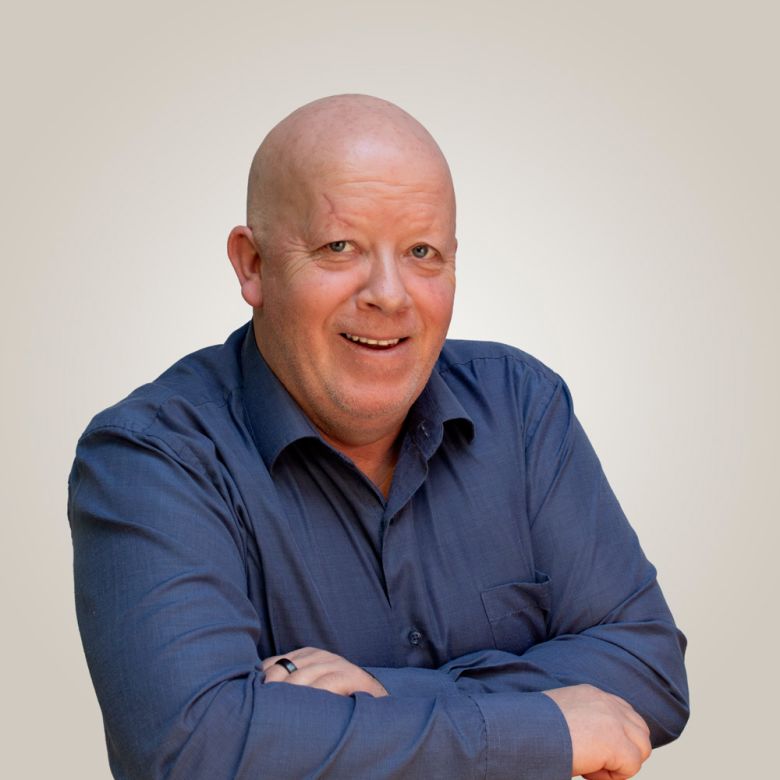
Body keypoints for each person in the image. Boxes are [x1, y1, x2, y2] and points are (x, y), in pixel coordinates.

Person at [68, 94, 689, 780]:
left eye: (422, 252)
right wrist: (541, 725)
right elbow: (193, 752)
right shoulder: (153, 457)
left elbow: (650, 667)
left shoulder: (522, 407)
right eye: (341, 247)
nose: (389, 295)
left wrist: (388, 695)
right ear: (253, 265)